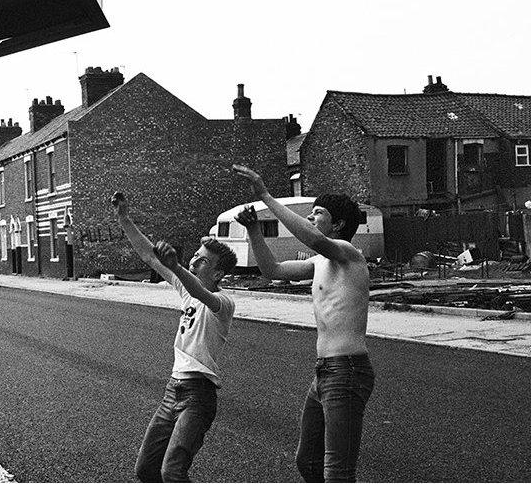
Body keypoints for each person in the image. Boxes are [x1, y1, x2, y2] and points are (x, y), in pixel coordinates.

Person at [232, 165, 373, 483]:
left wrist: (266, 196)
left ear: (337, 224)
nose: (311, 218)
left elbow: (311, 237)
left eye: (318, 213)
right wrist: (255, 230)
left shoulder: (348, 253)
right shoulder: (319, 262)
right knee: (308, 462)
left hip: (348, 371)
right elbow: (273, 270)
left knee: (337, 471)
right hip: (325, 371)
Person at [112, 191, 238, 482]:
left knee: (172, 471)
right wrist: (124, 218)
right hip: (173, 391)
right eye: (194, 256)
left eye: (203, 261)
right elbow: (148, 255)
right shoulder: (186, 290)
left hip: (199, 396)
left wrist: (176, 266)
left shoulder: (223, 304)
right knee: (146, 469)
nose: (194, 261)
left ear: (218, 274)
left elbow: (199, 291)